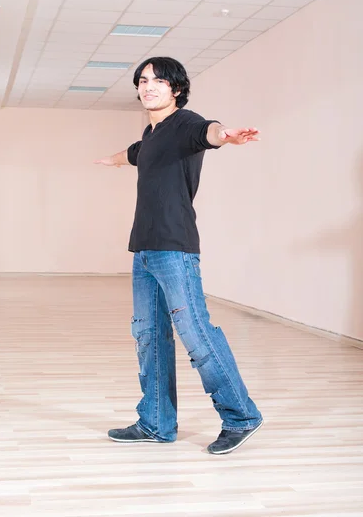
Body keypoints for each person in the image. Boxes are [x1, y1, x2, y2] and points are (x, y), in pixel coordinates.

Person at [95, 57, 263, 454]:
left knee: (196, 333)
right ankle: (156, 422)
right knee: (148, 336)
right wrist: (112, 160)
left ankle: (241, 417)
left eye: (157, 80)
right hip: (144, 250)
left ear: (176, 89)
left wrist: (228, 135)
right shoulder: (152, 136)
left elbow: (211, 132)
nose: (147, 86)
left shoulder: (186, 124)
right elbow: (134, 153)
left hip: (175, 246)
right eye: (142, 80)